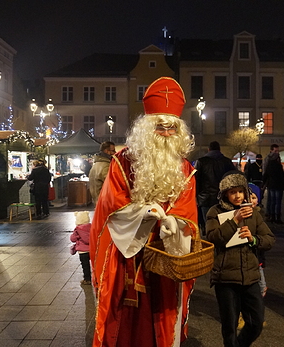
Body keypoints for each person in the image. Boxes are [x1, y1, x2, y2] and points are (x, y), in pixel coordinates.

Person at [90, 77, 199, 347]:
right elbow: (110, 206)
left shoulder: (185, 168)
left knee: (163, 314)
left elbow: (188, 208)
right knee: (124, 319)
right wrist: (143, 213)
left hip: (165, 254)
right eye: (160, 127)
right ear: (147, 128)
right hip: (127, 253)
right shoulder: (122, 162)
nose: (165, 133)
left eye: (171, 128)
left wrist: (175, 222)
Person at [206, 171, 275, 346]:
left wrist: (253, 239)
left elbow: (269, 239)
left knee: (256, 322)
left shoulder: (252, 213)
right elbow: (213, 237)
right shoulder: (215, 211)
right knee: (229, 327)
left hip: (250, 277)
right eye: (232, 192)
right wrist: (234, 221)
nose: (237, 196)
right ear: (225, 194)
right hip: (225, 277)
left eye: (240, 191)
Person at [194, 141, 235, 234]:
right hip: (223, 198)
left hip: (205, 199)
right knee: (222, 223)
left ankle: (209, 242)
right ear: (219, 149)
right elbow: (233, 177)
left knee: (208, 222)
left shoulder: (201, 162)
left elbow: (196, 180)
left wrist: (196, 196)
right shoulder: (227, 162)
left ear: (209, 149)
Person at [263, 151, 284, 223]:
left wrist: (264, 184)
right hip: (278, 186)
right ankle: (278, 217)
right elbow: (282, 177)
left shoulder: (269, 165)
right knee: (278, 202)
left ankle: (272, 216)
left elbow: (265, 176)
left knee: (272, 202)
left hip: (271, 185)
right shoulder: (278, 166)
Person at [69, 211, 92, 285]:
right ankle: (97, 278)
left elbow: (72, 239)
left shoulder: (77, 229)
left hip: (82, 251)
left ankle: (87, 279)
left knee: (85, 265)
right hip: (91, 249)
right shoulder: (91, 226)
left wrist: (78, 236)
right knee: (94, 265)